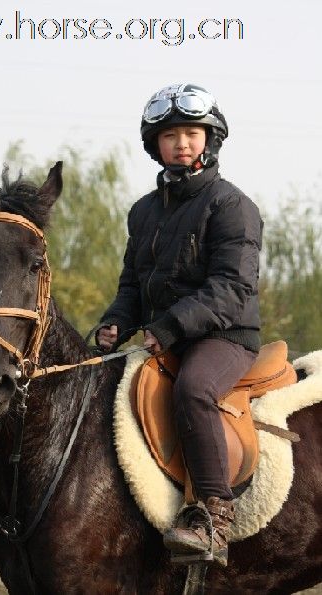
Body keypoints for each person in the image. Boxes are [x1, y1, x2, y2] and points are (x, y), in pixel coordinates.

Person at [95, 83, 263, 567]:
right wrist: (115, 322)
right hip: (163, 334)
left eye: (192, 133)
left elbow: (231, 289)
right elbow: (133, 285)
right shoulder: (142, 212)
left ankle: (213, 515)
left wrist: (168, 327)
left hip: (224, 336)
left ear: (209, 140)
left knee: (192, 389)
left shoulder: (232, 206)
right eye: (171, 136)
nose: (182, 143)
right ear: (156, 145)